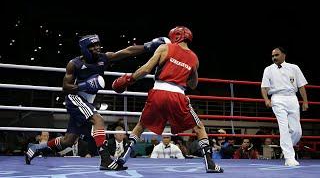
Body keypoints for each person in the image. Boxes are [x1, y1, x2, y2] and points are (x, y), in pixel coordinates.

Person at [25, 34, 169, 170]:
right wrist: (84, 85)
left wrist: (148, 46)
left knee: (68, 141)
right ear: (84, 49)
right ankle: (106, 160)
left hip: (87, 101)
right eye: (92, 46)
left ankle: (37, 148)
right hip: (75, 98)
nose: (96, 48)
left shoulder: (103, 58)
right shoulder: (74, 64)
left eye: (98, 44)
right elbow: (65, 87)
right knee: (98, 120)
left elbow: (127, 51)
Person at [112, 26, 223, 173]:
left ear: (175, 36)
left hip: (158, 92)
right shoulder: (194, 57)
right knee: (199, 127)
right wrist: (190, 69)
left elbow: (146, 69)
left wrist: (129, 79)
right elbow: (193, 84)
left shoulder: (165, 48)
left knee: (141, 125)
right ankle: (209, 163)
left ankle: (123, 158)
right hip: (178, 95)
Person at [261, 46, 308, 166]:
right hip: (277, 98)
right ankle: (289, 157)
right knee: (284, 128)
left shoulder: (294, 68)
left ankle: (286, 148)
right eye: (272, 56)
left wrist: (305, 101)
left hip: (292, 98)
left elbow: (301, 85)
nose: (274, 58)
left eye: (276, 55)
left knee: (297, 131)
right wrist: (266, 99)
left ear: (284, 55)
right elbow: (264, 87)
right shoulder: (268, 69)